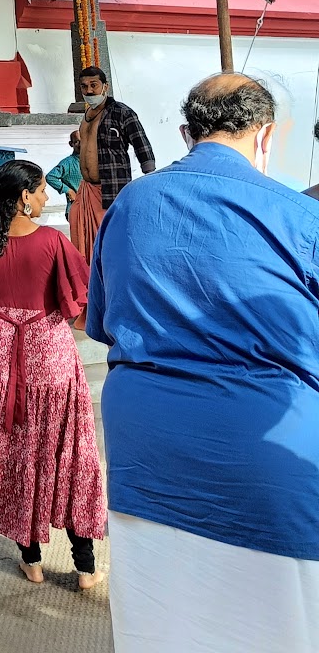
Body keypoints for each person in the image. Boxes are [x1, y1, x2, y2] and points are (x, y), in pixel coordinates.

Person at [87, 73, 319, 650]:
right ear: (265, 136)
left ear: (188, 133)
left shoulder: (132, 204)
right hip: (267, 459)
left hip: (145, 451)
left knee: (162, 622)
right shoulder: (298, 217)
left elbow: (103, 322)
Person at [0, 160, 105, 589]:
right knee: (67, 451)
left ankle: (30, 559)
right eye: (40, 190)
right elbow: (75, 304)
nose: (47, 196)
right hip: (47, 349)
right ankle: (85, 564)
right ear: (24, 197)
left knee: (14, 449)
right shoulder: (53, 241)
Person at [71, 64, 155, 267]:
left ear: (105, 86)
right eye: (84, 86)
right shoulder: (86, 116)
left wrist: (149, 183)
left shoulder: (122, 112)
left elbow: (141, 145)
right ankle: (91, 282)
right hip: (87, 190)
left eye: (94, 85)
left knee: (111, 241)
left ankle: (114, 279)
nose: (89, 91)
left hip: (111, 188)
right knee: (82, 234)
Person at [45, 131, 81, 208]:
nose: (81, 144)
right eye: (77, 141)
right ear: (71, 144)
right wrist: (68, 190)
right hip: (75, 208)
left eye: (84, 140)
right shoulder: (68, 163)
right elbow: (50, 177)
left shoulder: (93, 161)